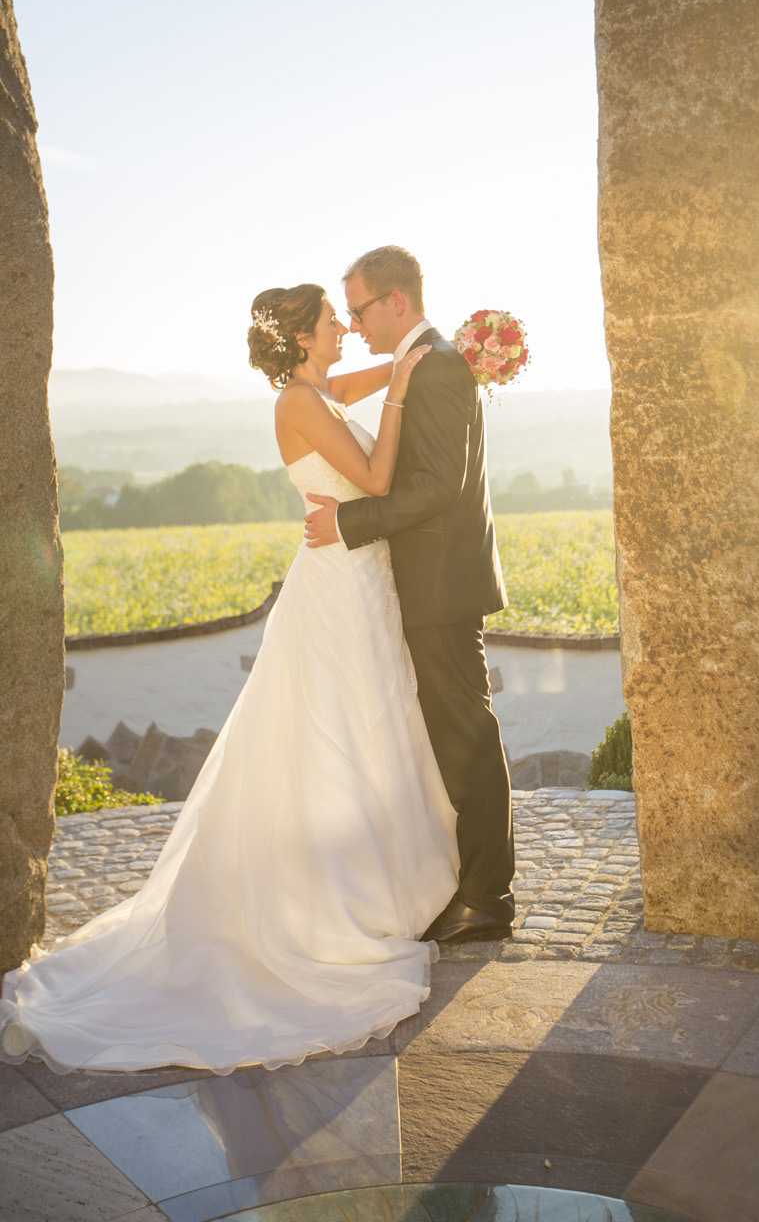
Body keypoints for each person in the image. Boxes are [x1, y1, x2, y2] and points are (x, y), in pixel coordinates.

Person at [0, 284, 458, 1074]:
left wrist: (433, 352)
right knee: (339, 728)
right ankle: (337, 901)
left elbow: (375, 373)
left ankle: (382, 877)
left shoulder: (316, 388)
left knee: (371, 721)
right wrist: (402, 397)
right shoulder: (298, 402)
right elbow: (379, 480)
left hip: (355, 577)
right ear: (304, 339)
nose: (344, 328)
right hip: (338, 587)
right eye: (331, 321)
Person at [304, 245, 514, 945]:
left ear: (396, 301)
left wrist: (346, 522)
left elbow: (435, 487)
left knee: (466, 741)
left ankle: (488, 899)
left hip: (442, 586)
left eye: (359, 309)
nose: (355, 324)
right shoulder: (421, 361)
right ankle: (464, 885)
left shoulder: (439, 368)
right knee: (447, 740)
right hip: (429, 583)